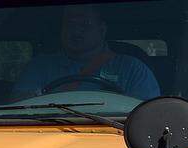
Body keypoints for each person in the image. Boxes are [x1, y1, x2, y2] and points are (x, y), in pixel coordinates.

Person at [11, 4, 161, 102]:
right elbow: (19, 107)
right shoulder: (40, 66)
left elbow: (149, 116)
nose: (76, 30)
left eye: (85, 24)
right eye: (70, 24)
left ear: (101, 30)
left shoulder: (132, 69)